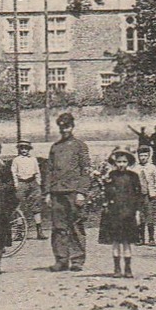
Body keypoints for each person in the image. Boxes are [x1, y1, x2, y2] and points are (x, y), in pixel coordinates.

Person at [46, 111, 92, 272]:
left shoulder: (80, 146)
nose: (64, 130)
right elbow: (49, 171)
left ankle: (77, 259)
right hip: (57, 192)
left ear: (72, 127)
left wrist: (82, 192)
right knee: (58, 227)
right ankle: (61, 259)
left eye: (67, 127)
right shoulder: (55, 147)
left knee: (76, 226)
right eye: (61, 127)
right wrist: (47, 193)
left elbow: (86, 171)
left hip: (73, 192)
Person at [98, 147, 144, 277]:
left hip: (129, 213)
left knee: (127, 242)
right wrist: (104, 183)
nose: (121, 164)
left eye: (124, 161)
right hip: (114, 213)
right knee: (116, 242)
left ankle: (128, 268)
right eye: (119, 161)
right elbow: (106, 193)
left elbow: (138, 194)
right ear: (115, 162)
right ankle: (117, 268)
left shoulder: (133, 176)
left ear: (128, 162)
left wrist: (137, 212)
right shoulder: (111, 176)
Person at [11, 140, 45, 240]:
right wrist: (16, 184)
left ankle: (39, 231)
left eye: (26, 148)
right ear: (19, 149)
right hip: (21, 183)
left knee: (36, 205)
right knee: (19, 206)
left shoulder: (33, 159)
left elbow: (37, 172)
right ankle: (19, 233)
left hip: (32, 182)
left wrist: (38, 183)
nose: (24, 150)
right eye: (22, 148)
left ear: (29, 149)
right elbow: (13, 173)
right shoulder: (16, 160)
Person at [134, 146, 156, 245]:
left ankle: (151, 238)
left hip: (149, 195)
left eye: (145, 155)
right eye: (141, 155)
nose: (143, 158)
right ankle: (141, 238)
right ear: (138, 156)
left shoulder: (152, 168)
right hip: (139, 196)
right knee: (140, 217)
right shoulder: (135, 168)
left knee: (150, 216)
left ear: (149, 156)